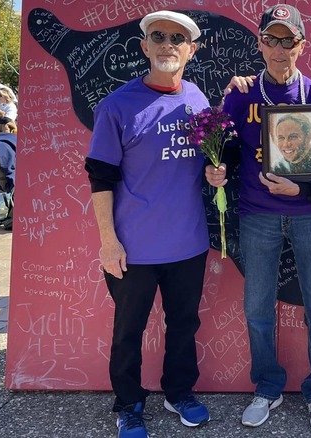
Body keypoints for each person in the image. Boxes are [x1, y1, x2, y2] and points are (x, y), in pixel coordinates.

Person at [204, 4, 311, 433]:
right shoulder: (239, 94)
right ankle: (267, 387)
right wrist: (216, 167)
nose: (278, 47)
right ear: (259, 43)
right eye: (270, 38)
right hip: (257, 217)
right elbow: (226, 150)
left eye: (287, 40)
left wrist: (302, 189)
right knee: (257, 308)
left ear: (301, 45)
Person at [84, 10, 211, 438]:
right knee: (128, 332)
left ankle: (180, 392)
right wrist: (108, 242)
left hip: (189, 243)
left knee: (184, 325)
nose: (167, 44)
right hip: (133, 248)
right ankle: (129, 404)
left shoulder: (198, 100)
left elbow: (211, 159)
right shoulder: (116, 106)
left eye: (178, 38)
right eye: (158, 36)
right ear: (144, 47)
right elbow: (100, 178)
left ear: (190, 51)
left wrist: (218, 172)